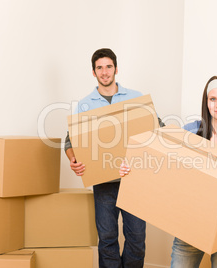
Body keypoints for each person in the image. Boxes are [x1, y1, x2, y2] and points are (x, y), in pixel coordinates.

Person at [120, 74, 217, 268]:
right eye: (213, 99)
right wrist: (131, 167)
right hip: (191, 227)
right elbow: (160, 160)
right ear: (206, 102)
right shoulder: (190, 133)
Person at [65, 48, 163, 268]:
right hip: (104, 184)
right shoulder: (85, 104)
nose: (105, 72)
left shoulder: (136, 98)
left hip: (134, 180)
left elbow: (158, 128)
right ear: (93, 72)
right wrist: (74, 161)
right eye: (99, 68)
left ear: (116, 69)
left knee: (136, 240)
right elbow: (70, 141)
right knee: (107, 240)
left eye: (108, 66)